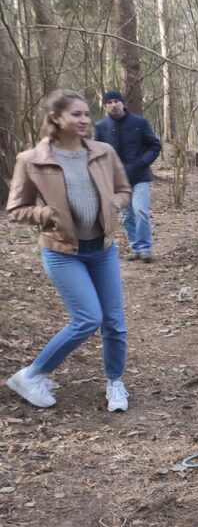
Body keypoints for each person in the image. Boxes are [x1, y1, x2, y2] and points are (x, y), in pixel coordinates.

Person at [5, 89, 132, 412]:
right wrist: (44, 214)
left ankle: (115, 382)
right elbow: (16, 209)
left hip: (102, 248)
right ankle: (32, 375)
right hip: (62, 251)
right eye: (76, 114)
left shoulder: (103, 152)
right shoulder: (32, 160)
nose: (84, 120)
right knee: (88, 318)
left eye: (87, 114)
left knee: (114, 322)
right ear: (56, 118)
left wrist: (113, 204)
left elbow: (123, 189)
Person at [93, 90, 161, 262]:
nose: (113, 105)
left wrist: (143, 161)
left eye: (116, 101)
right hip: (116, 181)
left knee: (141, 211)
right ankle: (136, 247)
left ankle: (145, 248)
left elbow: (154, 145)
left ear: (123, 103)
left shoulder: (139, 122)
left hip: (139, 176)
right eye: (109, 102)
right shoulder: (100, 127)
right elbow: (95, 153)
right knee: (126, 216)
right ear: (105, 106)